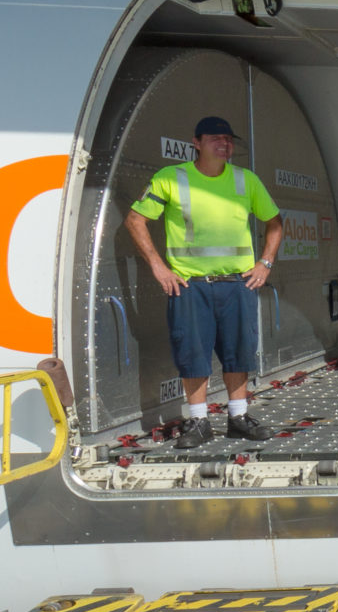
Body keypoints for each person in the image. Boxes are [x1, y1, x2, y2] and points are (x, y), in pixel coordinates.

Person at [122, 117, 286, 451]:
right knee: (192, 352)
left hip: (238, 283)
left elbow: (274, 222)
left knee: (238, 352)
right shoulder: (172, 178)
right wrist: (158, 266)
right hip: (190, 285)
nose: (224, 144)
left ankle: (238, 418)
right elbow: (135, 220)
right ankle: (198, 421)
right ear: (196, 142)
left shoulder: (245, 180)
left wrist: (265, 264)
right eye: (215, 138)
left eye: (228, 139)